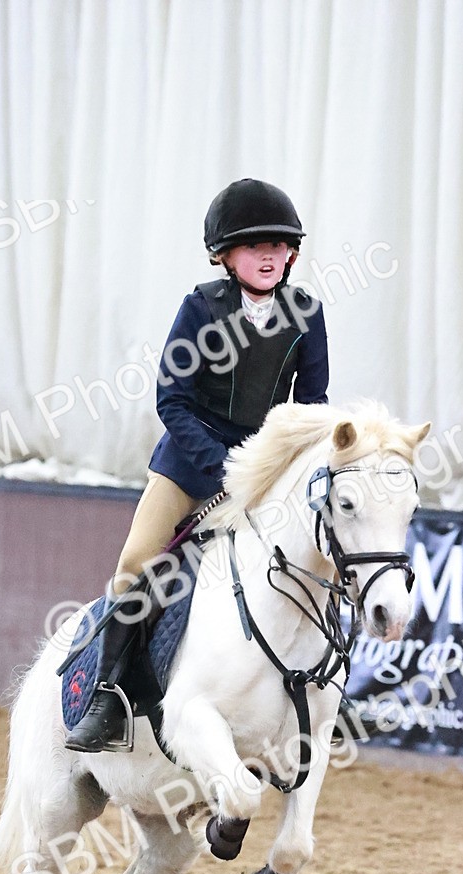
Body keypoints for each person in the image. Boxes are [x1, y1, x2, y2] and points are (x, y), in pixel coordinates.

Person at [66, 178, 329, 753]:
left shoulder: (307, 314)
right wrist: (222, 463)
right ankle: (108, 697)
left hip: (264, 474)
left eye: (279, 246)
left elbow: (311, 407)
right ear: (224, 255)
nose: (269, 255)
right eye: (254, 245)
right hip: (189, 466)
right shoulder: (200, 307)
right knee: (138, 562)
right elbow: (173, 401)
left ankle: (314, 684)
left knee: (310, 555)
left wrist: (277, 467)